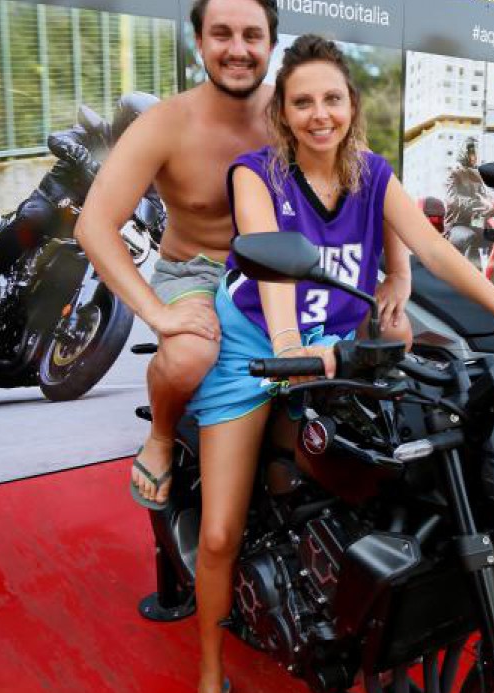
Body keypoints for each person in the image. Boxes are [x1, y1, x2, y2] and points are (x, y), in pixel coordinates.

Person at [184, 33, 494, 693]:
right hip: (260, 345)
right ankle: (211, 675)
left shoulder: (371, 173)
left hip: (339, 348)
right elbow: (272, 270)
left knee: (400, 465)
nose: (320, 115)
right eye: (303, 102)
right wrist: (287, 349)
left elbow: (433, 249)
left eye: (332, 100)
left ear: (351, 105)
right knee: (218, 532)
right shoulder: (258, 175)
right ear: (283, 112)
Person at [77, 0, 411, 512]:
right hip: (198, 272)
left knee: (394, 333)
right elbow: (93, 225)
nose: (238, 49)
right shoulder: (165, 122)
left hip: (287, 272)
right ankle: (162, 435)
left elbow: (367, 176)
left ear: (271, 44)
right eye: (222, 34)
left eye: (251, 35)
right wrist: (158, 313)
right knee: (189, 354)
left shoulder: (301, 107)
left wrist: (398, 273)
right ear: (199, 41)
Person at [0, 93, 158, 280]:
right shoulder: (95, 134)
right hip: (55, 202)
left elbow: (155, 205)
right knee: (33, 220)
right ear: (128, 122)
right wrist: (80, 155)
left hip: (97, 223)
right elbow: (57, 139)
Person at [444, 136, 494, 266]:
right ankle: (467, 273)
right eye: (472, 153)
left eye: (476, 153)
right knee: (470, 236)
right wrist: (476, 203)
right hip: (456, 225)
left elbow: (485, 197)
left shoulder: (477, 176)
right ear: (464, 154)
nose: (475, 157)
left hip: (473, 224)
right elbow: (453, 200)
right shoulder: (454, 174)